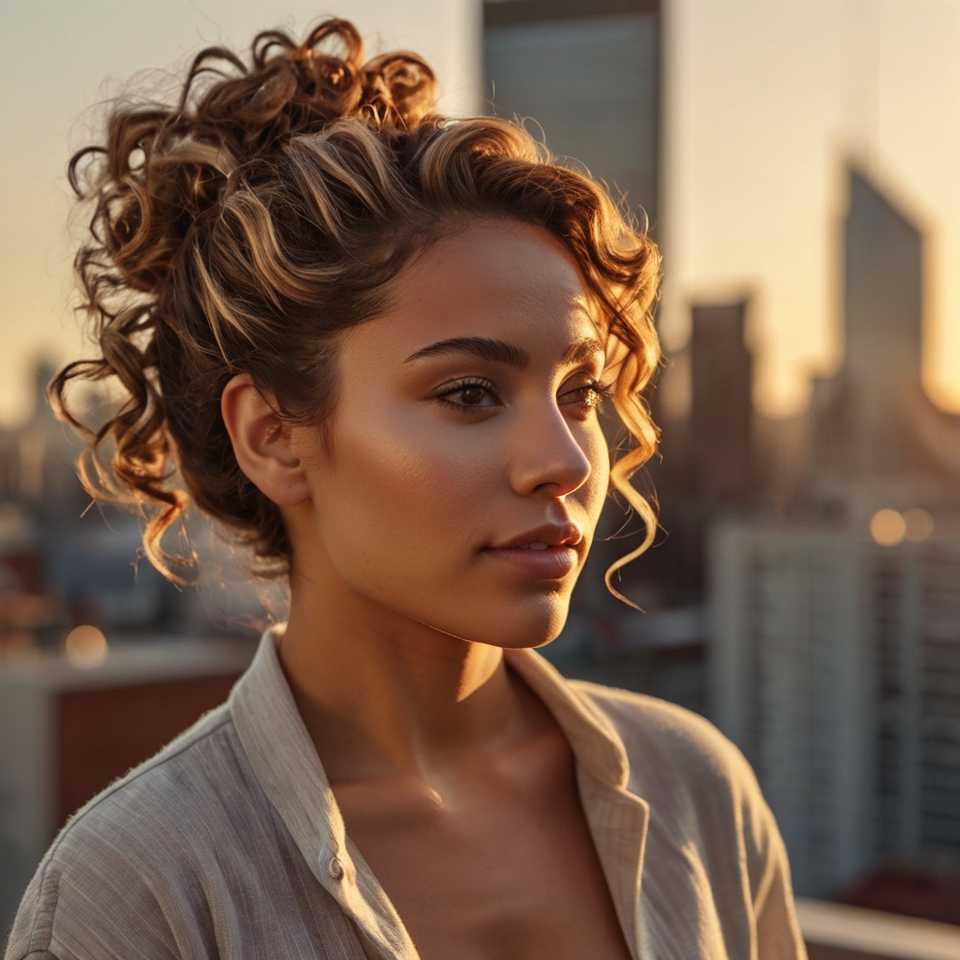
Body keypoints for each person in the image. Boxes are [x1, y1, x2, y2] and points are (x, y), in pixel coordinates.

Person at [4, 17, 806, 960]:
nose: (569, 460)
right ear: (274, 437)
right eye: (469, 393)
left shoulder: (697, 793)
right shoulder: (141, 889)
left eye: (580, 392)